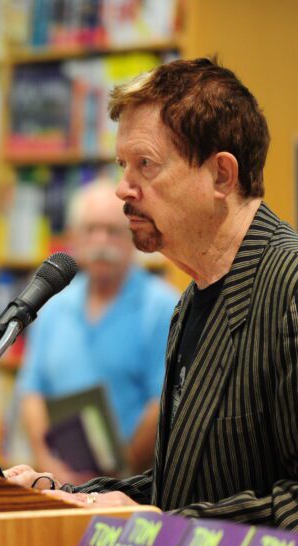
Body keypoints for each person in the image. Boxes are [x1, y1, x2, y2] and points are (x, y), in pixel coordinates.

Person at [6, 58, 298, 542]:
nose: (124, 187)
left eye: (145, 164)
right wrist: (71, 497)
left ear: (221, 175)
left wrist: (167, 528)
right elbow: (183, 488)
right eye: (123, 166)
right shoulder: (194, 297)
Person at [17, 178, 178, 484]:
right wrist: (48, 462)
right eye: (91, 230)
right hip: (59, 480)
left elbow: (163, 402)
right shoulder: (53, 306)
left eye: (113, 231)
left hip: (133, 484)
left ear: (132, 237)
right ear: (75, 238)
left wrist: (120, 469)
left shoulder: (161, 306)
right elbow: (31, 391)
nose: (101, 242)